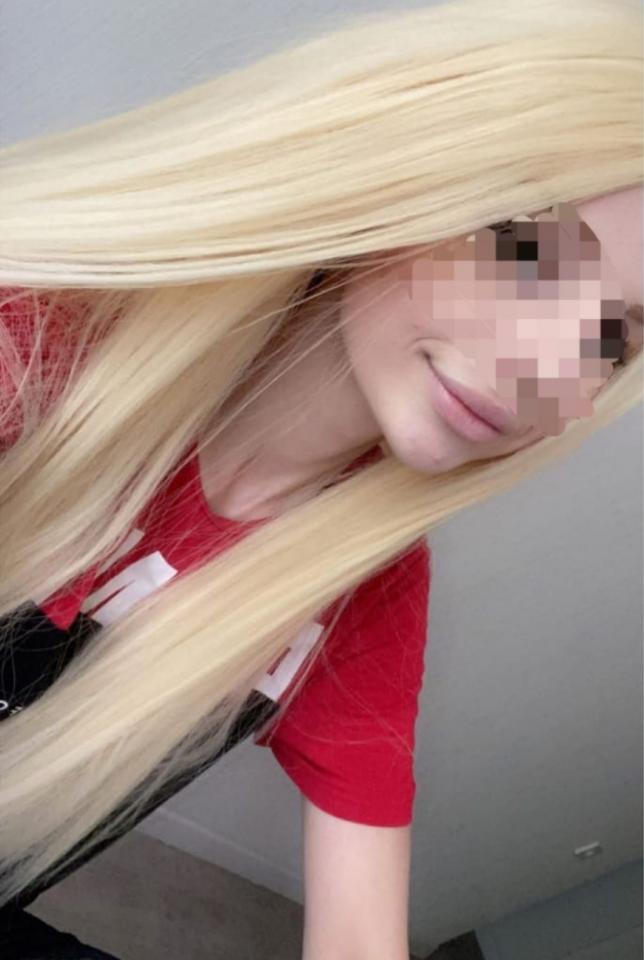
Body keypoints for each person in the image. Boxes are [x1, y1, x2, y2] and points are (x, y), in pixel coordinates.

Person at [0, 0, 642, 957]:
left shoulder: (369, 590)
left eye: (612, 339)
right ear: (400, 174)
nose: (554, 371)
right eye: (530, 253)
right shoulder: (39, 343)